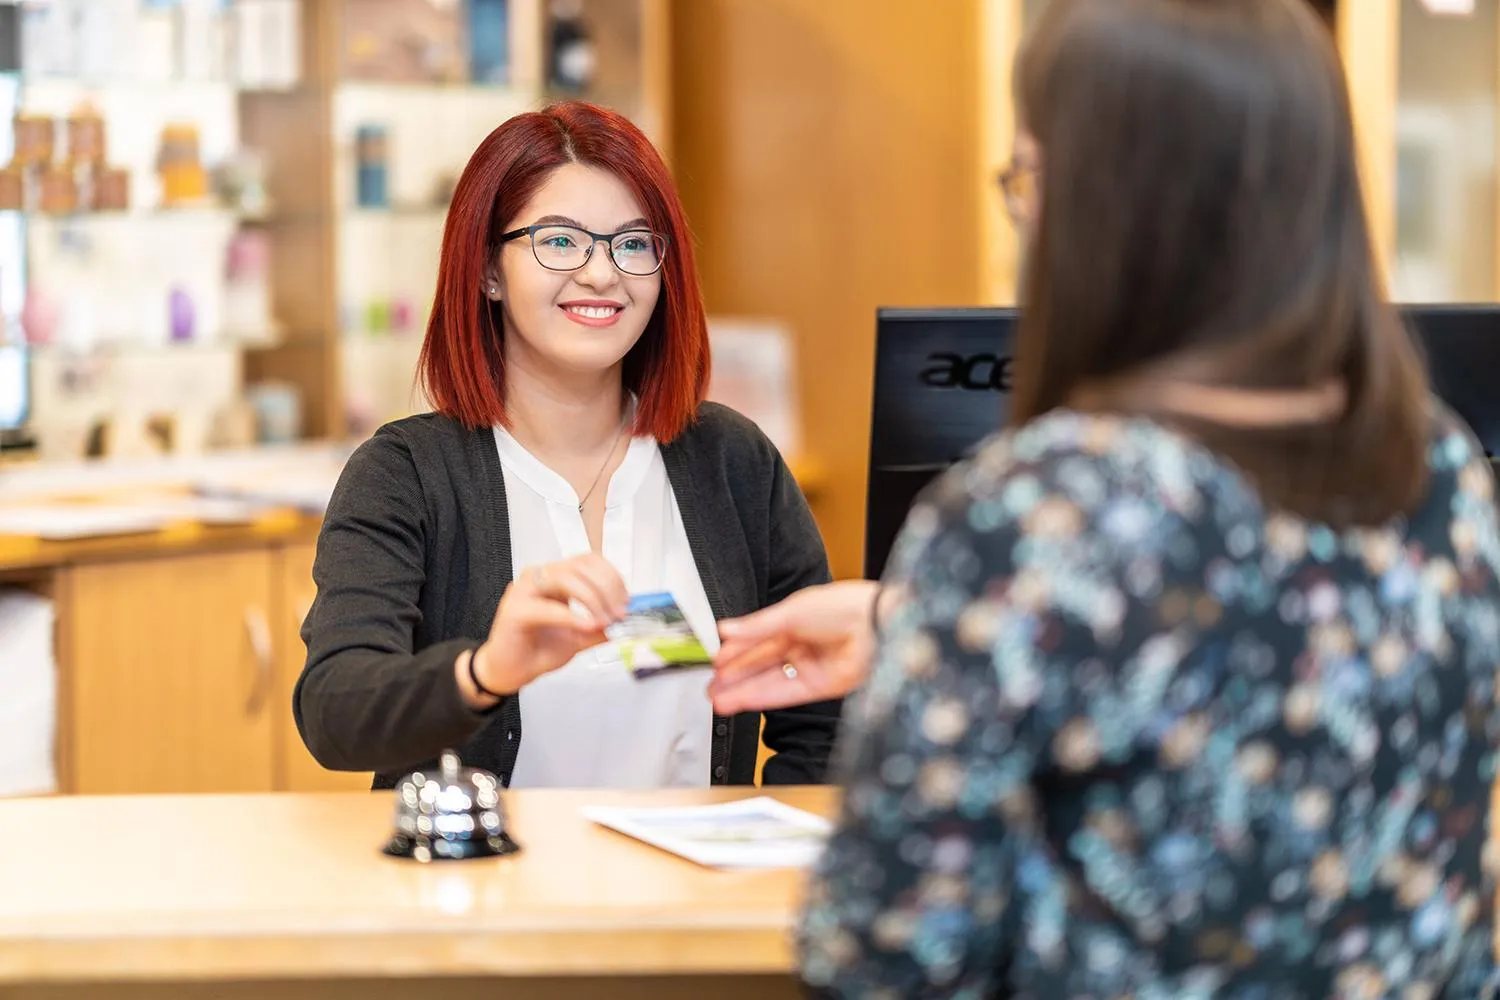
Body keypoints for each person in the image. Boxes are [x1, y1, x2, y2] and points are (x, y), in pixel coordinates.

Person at [711, 0, 1500, 995]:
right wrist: (923, 622)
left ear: (1114, 205)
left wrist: (951, 634)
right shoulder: (1442, 468)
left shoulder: (1040, 508)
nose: (1022, 214)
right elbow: (1256, 636)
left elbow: (886, 946)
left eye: (1030, 175)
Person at [294, 101, 840, 791]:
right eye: (559, 240)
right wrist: (488, 669)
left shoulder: (730, 461)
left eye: (634, 242)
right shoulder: (405, 475)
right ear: (488, 271)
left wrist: (770, 851)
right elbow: (335, 709)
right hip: (484, 892)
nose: (602, 273)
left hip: (691, 895)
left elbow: (826, 717)